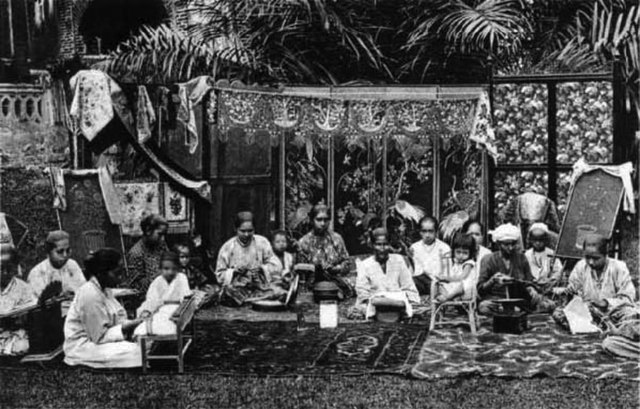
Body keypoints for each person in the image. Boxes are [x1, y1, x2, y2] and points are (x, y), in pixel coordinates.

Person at [63, 248, 144, 368]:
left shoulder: (105, 289)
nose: (121, 277)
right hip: (83, 346)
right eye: (117, 273)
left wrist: (134, 324)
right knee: (138, 352)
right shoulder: (89, 294)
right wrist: (127, 327)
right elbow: (99, 337)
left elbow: (118, 317)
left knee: (142, 345)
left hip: (99, 339)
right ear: (101, 273)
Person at [552, 234, 636, 328]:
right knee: (558, 313)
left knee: (630, 315)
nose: (591, 262)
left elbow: (628, 298)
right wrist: (569, 294)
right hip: (589, 311)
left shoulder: (618, 267)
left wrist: (605, 303)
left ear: (605, 255)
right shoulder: (581, 266)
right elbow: (575, 294)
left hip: (613, 312)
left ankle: (597, 326)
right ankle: (592, 326)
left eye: (596, 258)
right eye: (587, 257)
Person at [476, 223, 554, 316]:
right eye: (506, 244)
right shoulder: (488, 259)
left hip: (518, 298)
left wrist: (532, 288)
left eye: (513, 244)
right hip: (496, 299)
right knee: (484, 307)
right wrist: (493, 280)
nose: (510, 248)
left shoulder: (521, 257)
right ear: (498, 244)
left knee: (549, 305)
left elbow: (529, 280)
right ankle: (514, 311)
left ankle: (514, 311)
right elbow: (481, 289)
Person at [215, 211, 281, 306]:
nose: (246, 234)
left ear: (254, 229)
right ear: (236, 229)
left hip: (260, 287)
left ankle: (253, 300)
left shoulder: (262, 242)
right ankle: (251, 301)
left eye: (250, 231)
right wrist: (234, 272)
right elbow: (219, 275)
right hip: (237, 289)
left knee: (278, 291)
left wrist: (262, 269)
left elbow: (276, 266)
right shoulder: (228, 247)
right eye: (242, 231)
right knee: (228, 292)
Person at [355, 228, 419, 318]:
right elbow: (362, 292)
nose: (382, 248)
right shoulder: (365, 265)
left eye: (385, 244)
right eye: (378, 244)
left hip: (397, 302)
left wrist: (402, 300)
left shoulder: (399, 260)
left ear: (389, 245)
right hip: (375, 304)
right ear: (373, 245)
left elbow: (408, 286)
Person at [297, 204, 353, 298]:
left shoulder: (336, 239)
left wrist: (338, 268)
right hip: (312, 291)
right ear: (312, 220)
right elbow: (300, 271)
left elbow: (347, 262)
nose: (323, 223)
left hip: (336, 289)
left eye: (326, 220)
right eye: (319, 220)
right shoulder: (304, 242)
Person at [27, 230, 86, 298]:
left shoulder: (72, 264)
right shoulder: (37, 273)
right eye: (60, 251)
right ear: (48, 252)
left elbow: (83, 290)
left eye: (68, 250)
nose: (65, 255)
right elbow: (39, 302)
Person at [0, 246, 36, 356]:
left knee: (23, 346)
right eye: (1, 269)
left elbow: (32, 311)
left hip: (14, 331)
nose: (5, 273)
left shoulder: (24, 288)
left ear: (15, 268)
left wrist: (20, 317)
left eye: (9, 269)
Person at [137, 252, 191, 318]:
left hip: (176, 312)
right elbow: (151, 300)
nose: (170, 272)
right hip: (159, 311)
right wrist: (146, 311)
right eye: (166, 269)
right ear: (160, 269)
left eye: (173, 269)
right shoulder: (158, 281)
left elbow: (185, 299)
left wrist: (164, 302)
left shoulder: (181, 278)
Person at [125, 214, 170, 293]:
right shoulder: (136, 253)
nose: (163, 239)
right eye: (160, 234)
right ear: (148, 231)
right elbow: (135, 288)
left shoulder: (161, 245)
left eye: (164, 235)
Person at [410, 216, 451, 295]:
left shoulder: (445, 248)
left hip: (438, 285)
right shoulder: (414, 247)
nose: (427, 235)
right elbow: (414, 271)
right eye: (424, 231)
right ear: (420, 232)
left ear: (436, 232)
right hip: (419, 285)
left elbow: (447, 274)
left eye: (430, 231)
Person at [434, 233, 476, 303]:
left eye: (465, 253)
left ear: (470, 253)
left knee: (461, 285)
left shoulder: (469, 263)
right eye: (458, 252)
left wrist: (448, 278)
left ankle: (447, 297)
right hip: (456, 288)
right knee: (441, 284)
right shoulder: (456, 262)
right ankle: (450, 297)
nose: (461, 255)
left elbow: (462, 277)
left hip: (466, 290)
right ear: (453, 251)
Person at [524, 223, 563, 293]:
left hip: (549, 286)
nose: (538, 243)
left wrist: (551, 280)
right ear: (531, 240)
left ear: (546, 240)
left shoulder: (551, 254)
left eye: (540, 240)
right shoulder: (527, 255)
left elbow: (558, 271)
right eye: (535, 240)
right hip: (532, 286)